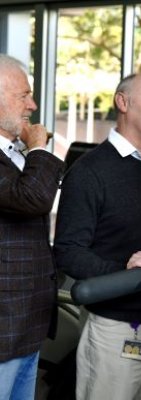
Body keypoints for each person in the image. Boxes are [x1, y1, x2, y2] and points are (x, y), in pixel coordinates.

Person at [53, 73, 141, 400]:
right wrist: (121, 267)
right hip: (116, 326)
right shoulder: (88, 172)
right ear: (123, 102)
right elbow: (68, 251)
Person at [0, 54, 64, 400]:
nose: (33, 104)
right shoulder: (28, 151)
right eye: (23, 95)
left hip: (27, 325)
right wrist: (39, 147)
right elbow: (33, 199)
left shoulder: (15, 153)